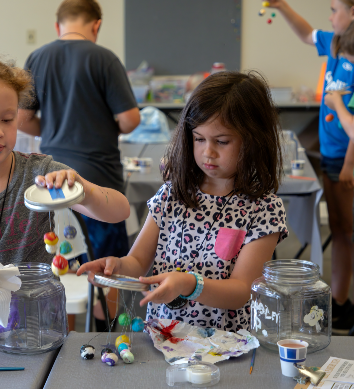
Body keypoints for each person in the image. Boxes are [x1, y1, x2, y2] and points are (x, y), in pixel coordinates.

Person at [0, 54, 131, 327]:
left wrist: (82, 189)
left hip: (39, 330)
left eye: (7, 119)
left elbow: (119, 211)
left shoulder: (40, 173)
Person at [77, 71, 288, 331]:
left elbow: (242, 291)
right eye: (199, 139)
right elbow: (137, 262)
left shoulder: (264, 209)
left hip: (226, 345)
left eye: (222, 141)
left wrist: (190, 284)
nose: (207, 152)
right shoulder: (171, 195)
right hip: (164, 338)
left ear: (254, 141)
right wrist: (116, 267)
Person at [18, 0, 140, 329]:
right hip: (98, 181)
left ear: (58, 26)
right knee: (107, 268)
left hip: (51, 183)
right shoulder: (104, 59)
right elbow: (130, 120)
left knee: (63, 263)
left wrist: (56, 130)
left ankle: (66, 340)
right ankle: (107, 334)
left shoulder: (38, 58)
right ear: (96, 25)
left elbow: (21, 118)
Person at [269, 0, 354, 335]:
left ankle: (340, 305)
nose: (330, 16)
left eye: (335, 9)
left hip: (344, 161)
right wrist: (282, 6)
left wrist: (348, 163)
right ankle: (339, 302)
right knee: (341, 229)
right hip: (334, 154)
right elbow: (306, 33)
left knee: (344, 231)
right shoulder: (336, 44)